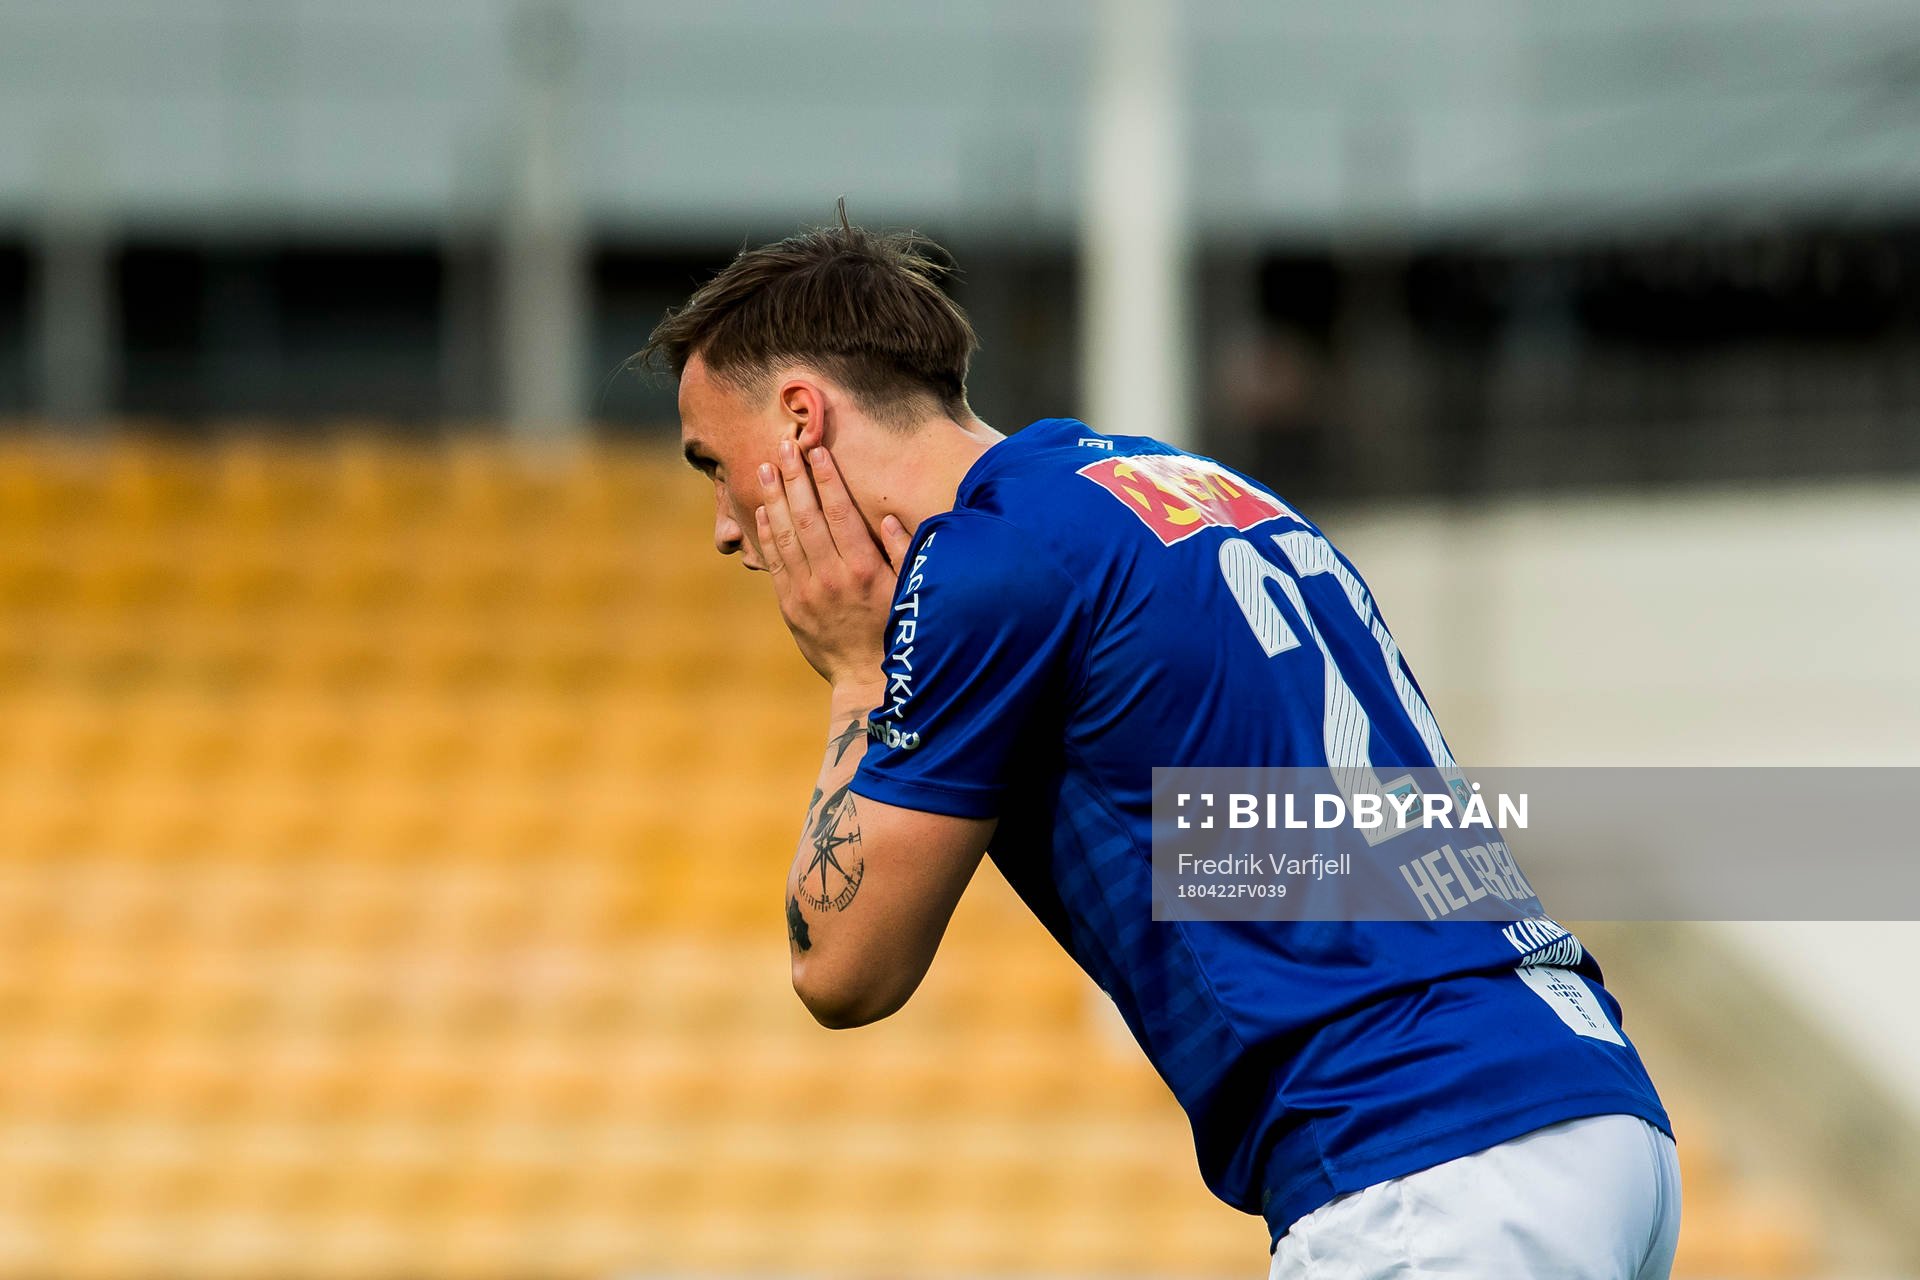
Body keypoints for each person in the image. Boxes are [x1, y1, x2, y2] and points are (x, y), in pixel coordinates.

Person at [642, 214, 1681, 1279]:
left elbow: (842, 968)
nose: (725, 524)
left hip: (1422, 1155)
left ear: (802, 416)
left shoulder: (990, 558)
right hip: (1593, 1116)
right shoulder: (1184, 485)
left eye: (715, 464)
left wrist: (858, 675)